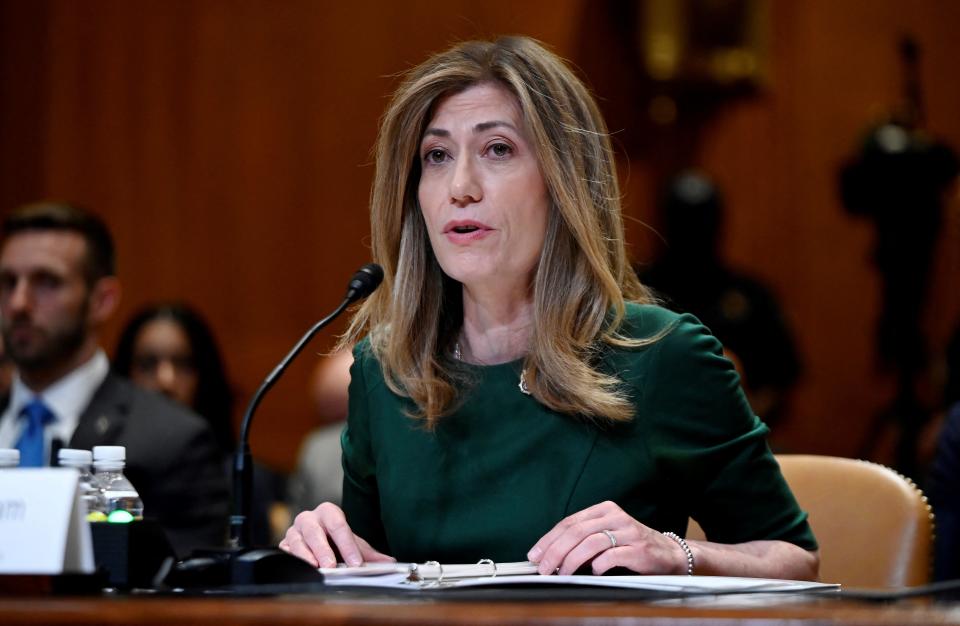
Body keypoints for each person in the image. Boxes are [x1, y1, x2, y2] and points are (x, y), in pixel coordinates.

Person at [280, 36, 819, 580]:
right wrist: (328, 554)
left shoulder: (663, 356)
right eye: (437, 156)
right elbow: (375, 579)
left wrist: (679, 553)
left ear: (563, 180)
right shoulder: (384, 371)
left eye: (498, 150)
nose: (460, 187)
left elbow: (794, 558)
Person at [0, 202, 229, 557]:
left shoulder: (173, 441)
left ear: (101, 301)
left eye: (46, 282)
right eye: (8, 282)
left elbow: (186, 598)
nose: (18, 303)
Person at [113, 302, 286, 546]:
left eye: (183, 363)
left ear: (205, 376)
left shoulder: (244, 479)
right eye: (148, 364)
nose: (166, 380)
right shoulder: (107, 478)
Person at [640, 170, 802, 427]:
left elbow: (782, 379)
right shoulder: (637, 292)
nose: (692, 236)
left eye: (700, 223)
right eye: (684, 223)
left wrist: (741, 421)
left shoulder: (751, 296)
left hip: (739, 433)